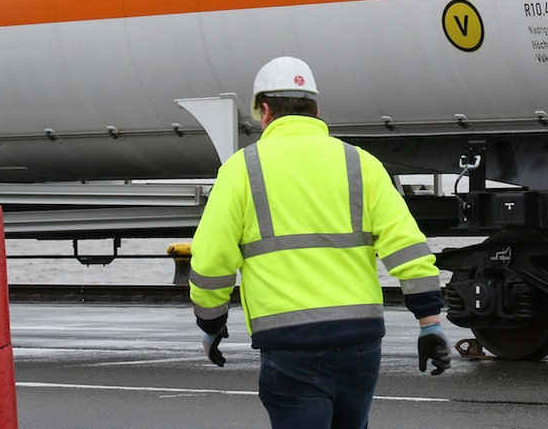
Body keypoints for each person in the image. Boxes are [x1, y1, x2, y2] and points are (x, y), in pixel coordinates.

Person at [188, 55, 450, 428]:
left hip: (291, 347)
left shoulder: (241, 170)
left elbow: (211, 261)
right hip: (361, 344)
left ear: (265, 111)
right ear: (316, 109)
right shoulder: (362, 163)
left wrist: (210, 323)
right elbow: (408, 248)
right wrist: (430, 323)